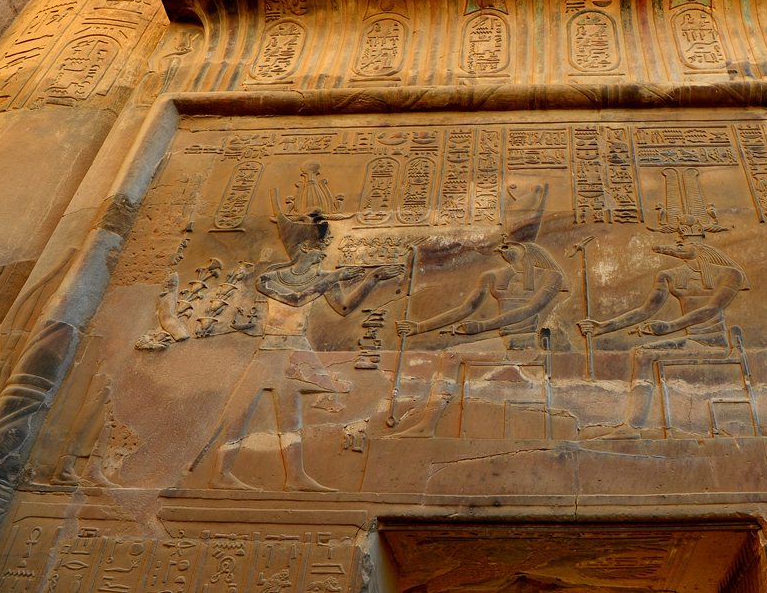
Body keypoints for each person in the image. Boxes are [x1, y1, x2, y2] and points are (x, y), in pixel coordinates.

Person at [210, 193, 402, 491]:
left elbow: (344, 308)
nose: (324, 255)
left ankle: (295, 477)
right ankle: (221, 474)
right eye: (320, 250)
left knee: (290, 413)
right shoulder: (271, 277)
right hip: (270, 350)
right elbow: (296, 299)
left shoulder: (324, 277)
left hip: (296, 350)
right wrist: (333, 278)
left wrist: (372, 279)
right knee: (241, 408)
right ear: (304, 248)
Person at [578, 215, 747, 438]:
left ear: (699, 245)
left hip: (715, 343)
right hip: (691, 340)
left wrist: (669, 326)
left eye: (683, 242)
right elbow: (645, 311)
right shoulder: (668, 276)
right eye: (677, 241)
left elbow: (712, 309)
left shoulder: (731, 274)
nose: (677, 244)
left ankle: (633, 427)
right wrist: (603, 327)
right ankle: (632, 428)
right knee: (643, 353)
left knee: (646, 354)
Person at [392, 236, 567, 437]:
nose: (501, 250)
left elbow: (530, 309)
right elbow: (466, 308)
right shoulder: (491, 276)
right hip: (504, 341)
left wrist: (482, 326)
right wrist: (419, 327)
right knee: (451, 356)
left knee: (452, 357)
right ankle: (427, 426)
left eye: (507, 246)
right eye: (501, 247)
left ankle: (427, 426)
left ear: (524, 249)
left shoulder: (552, 277)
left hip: (526, 344)